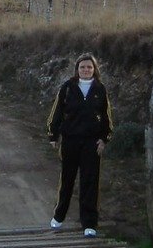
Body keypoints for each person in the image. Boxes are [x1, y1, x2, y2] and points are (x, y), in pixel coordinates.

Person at [46, 52, 113, 236]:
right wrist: (53, 135)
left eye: (89, 67)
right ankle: (59, 216)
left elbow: (107, 118)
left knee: (90, 182)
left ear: (94, 69)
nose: (86, 70)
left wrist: (104, 139)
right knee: (67, 179)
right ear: (77, 69)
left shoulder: (100, 89)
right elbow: (57, 112)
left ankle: (89, 223)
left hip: (91, 143)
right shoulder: (67, 88)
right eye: (82, 67)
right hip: (70, 141)